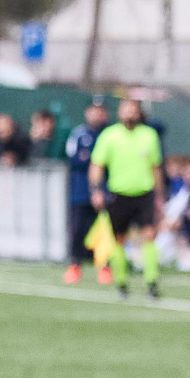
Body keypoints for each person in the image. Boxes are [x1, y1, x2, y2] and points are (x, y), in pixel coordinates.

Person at [88, 97, 166, 299]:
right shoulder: (109, 135)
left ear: (139, 113)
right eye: (126, 109)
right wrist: (96, 190)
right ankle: (121, 283)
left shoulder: (149, 135)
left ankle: (151, 282)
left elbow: (156, 167)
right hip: (119, 194)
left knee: (150, 235)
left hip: (144, 193)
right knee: (119, 239)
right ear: (119, 112)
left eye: (133, 109)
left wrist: (160, 195)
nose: (130, 113)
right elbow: (97, 165)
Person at [63, 98, 110, 285]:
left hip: (106, 190)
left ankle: (105, 266)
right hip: (81, 191)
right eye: (93, 110)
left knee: (105, 230)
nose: (97, 114)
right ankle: (75, 264)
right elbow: (75, 160)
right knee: (78, 229)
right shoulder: (79, 134)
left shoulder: (110, 134)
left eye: (100, 110)